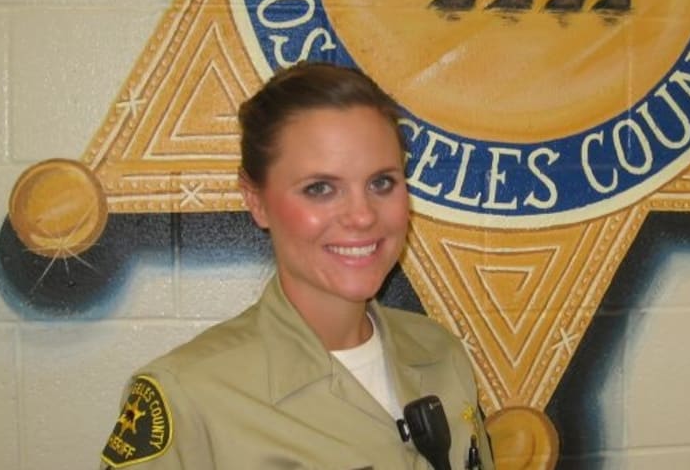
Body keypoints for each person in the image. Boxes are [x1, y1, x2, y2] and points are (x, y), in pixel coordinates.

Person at [99, 62, 493, 469]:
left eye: (381, 183)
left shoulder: (441, 355)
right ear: (256, 200)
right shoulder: (188, 398)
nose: (362, 216)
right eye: (320, 188)